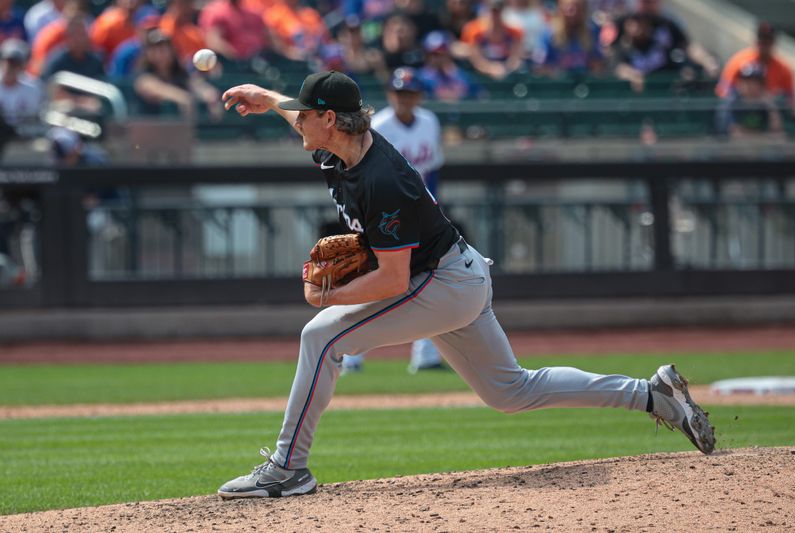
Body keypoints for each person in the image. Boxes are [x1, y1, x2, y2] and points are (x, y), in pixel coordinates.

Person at [216, 70, 716, 499]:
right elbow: (299, 114)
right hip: (459, 274)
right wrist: (265, 96)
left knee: (320, 336)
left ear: (329, 120)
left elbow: (390, 280)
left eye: (306, 113)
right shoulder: (339, 144)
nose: (296, 119)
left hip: (442, 285)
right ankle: (654, 396)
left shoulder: (381, 180)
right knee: (511, 391)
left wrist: (327, 296)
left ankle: (288, 469)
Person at [342, 67, 446, 374]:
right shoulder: (379, 125)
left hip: (420, 212)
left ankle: (425, 354)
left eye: (410, 93)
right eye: (399, 92)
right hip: (384, 214)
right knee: (374, 282)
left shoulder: (430, 121)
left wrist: (435, 205)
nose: (404, 98)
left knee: (429, 281)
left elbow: (434, 169)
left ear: (419, 96)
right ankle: (350, 356)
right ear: (390, 94)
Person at [716, 21, 795, 107]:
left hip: (768, 112)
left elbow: (790, 99)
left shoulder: (783, 69)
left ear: (773, 42)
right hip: (741, 111)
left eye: (767, 41)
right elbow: (723, 91)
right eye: (761, 41)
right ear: (756, 41)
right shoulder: (738, 62)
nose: (764, 45)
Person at [715, 62, 783, 139]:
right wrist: (762, 136)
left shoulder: (766, 104)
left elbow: (777, 133)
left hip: (763, 148)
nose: (750, 86)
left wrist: (771, 107)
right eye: (746, 81)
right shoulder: (731, 104)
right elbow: (737, 136)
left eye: (755, 82)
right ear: (739, 83)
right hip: (734, 149)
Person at [460, 0, 524, 80]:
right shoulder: (473, 30)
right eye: (493, 10)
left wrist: (504, 68)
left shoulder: (514, 32)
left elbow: (515, 58)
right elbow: (476, 60)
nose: (495, 14)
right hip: (480, 77)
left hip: (506, 75)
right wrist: (491, 69)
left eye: (498, 10)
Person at [537, 0, 604, 77]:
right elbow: (541, 67)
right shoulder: (549, 33)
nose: (573, 13)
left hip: (584, 84)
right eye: (569, 9)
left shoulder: (591, 31)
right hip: (558, 84)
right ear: (561, 9)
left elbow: (597, 65)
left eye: (577, 8)